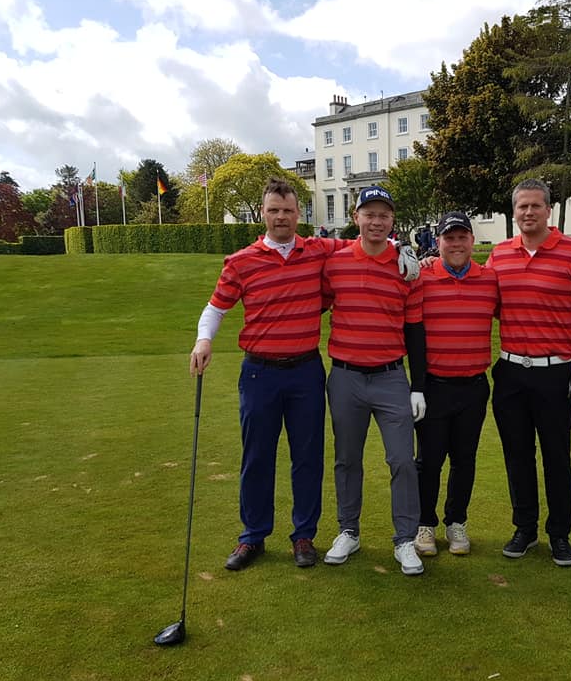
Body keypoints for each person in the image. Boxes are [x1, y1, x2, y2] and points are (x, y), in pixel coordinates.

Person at [190, 179, 418, 572]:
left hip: (305, 371)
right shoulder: (241, 261)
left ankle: (303, 535)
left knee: (307, 457)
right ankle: (252, 536)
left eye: (288, 210)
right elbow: (216, 307)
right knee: (257, 456)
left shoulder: (318, 250)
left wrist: (407, 250)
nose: (281, 217)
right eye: (274, 210)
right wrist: (203, 339)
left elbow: (368, 239)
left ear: (299, 214)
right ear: (263, 213)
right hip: (259, 372)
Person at [487, 179, 571, 567]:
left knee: (556, 456)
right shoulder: (499, 255)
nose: (529, 212)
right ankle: (525, 528)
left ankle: (560, 534)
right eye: (522, 206)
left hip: (555, 373)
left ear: (548, 210)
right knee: (517, 455)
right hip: (511, 371)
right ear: (514, 211)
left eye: (536, 205)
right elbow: (477, 293)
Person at [321, 185, 428, 576]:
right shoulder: (335, 263)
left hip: (390, 377)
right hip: (345, 376)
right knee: (347, 459)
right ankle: (348, 530)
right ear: (356, 218)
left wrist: (418, 386)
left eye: (384, 215)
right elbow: (313, 300)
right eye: (369, 214)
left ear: (392, 220)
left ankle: (405, 539)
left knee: (402, 460)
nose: (376, 221)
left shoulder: (405, 268)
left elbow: (415, 329)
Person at [413, 212, 498, 557]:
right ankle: (425, 524)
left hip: (474, 386)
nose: (457, 244)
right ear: (439, 242)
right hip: (434, 386)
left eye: (463, 237)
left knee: (464, 459)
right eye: (449, 238)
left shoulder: (489, 279)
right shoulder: (422, 276)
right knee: (429, 460)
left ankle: (456, 521)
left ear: (472, 241)